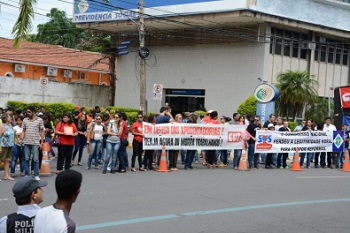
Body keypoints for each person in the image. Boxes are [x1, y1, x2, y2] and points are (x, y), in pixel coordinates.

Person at [20, 106, 45, 181]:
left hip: (35, 142)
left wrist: (41, 143)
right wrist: (21, 139)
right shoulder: (25, 120)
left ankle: (36, 174)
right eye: (27, 112)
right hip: (26, 142)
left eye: (29, 112)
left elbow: (42, 131)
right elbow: (23, 130)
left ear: (33, 112)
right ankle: (27, 174)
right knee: (26, 159)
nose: (28, 113)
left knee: (36, 159)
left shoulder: (39, 120)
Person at [0, 113, 15, 181]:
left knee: (7, 160)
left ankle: (6, 175)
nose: (11, 118)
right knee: (1, 160)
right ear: (5, 119)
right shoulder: (2, 126)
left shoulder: (10, 125)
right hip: (3, 145)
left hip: (10, 145)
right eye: (9, 117)